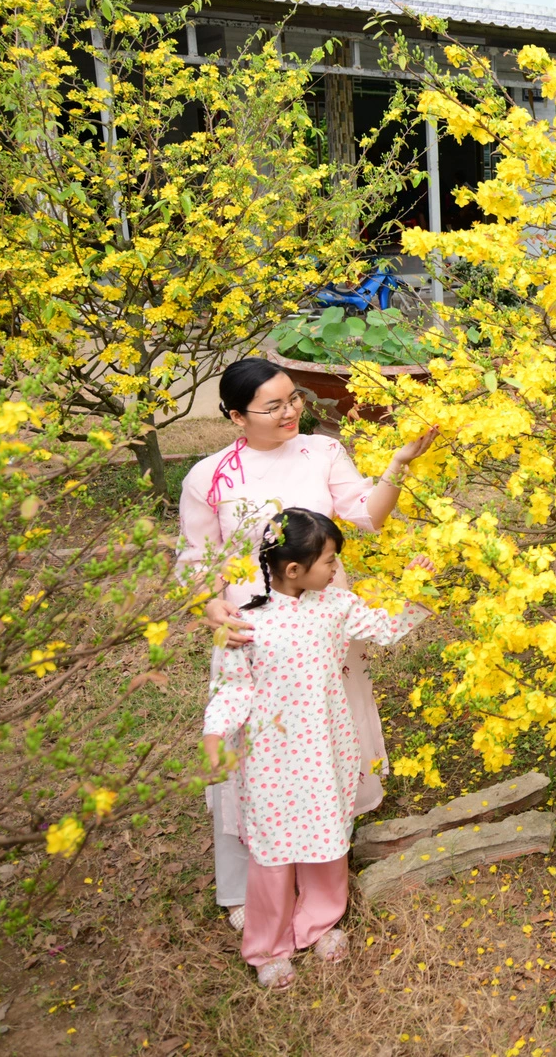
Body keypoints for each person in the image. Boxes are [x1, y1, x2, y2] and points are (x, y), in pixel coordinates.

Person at [178, 356, 437, 928]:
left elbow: (366, 516)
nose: (290, 411)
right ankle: (248, 887)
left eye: (292, 398)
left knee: (324, 729)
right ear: (234, 416)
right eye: (272, 406)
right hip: (253, 622)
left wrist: (396, 465)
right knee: (259, 745)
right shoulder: (209, 475)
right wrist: (209, 607)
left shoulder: (323, 453)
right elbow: (196, 559)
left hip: (323, 613)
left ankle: (323, 866)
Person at [202, 509, 433, 988]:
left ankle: (320, 921)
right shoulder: (247, 625)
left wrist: (414, 587)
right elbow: (232, 689)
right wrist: (213, 739)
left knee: (328, 837)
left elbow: (386, 628)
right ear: (293, 569)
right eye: (329, 561)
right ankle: (268, 945)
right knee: (272, 850)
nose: (335, 569)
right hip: (269, 756)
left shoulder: (336, 606)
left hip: (326, 746)